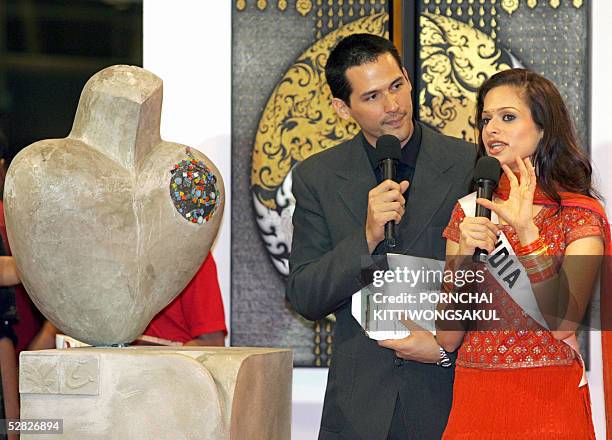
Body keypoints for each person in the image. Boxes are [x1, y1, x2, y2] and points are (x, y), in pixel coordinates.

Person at [286, 33, 476, 439]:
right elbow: (305, 296)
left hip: (454, 396)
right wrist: (366, 237)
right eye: (371, 97)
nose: (392, 106)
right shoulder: (317, 177)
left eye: (396, 86)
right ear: (342, 107)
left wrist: (446, 349)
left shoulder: (469, 163)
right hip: (360, 407)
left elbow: (496, 285)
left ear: (408, 79)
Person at [437, 68, 611, 438]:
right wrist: (462, 262)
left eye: (507, 117)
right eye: (486, 119)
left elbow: (563, 323)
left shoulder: (578, 215)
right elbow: (448, 337)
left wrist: (528, 233)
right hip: (475, 400)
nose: (491, 130)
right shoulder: (470, 211)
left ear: (544, 128)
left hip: (548, 404)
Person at [30, 252, 227, 348]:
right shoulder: (92, 253)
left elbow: (212, 344)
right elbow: (50, 336)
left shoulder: (190, 255)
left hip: (165, 394)